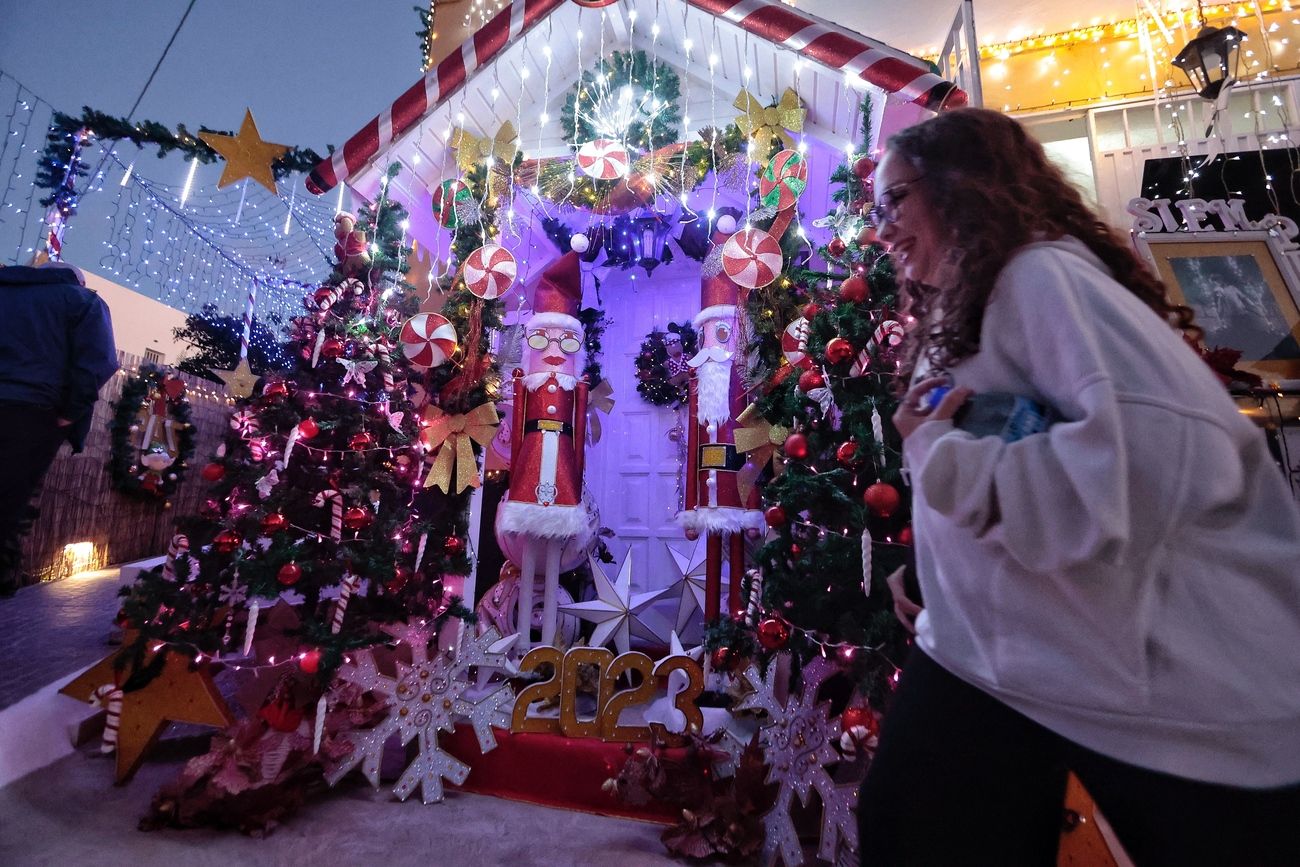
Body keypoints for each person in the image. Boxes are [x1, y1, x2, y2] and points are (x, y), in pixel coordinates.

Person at [858, 108, 1300, 866]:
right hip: (991, 663)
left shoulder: (1042, 277)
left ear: (959, 187)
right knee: (908, 826)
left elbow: (1153, 459)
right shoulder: (965, 302)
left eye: (894, 200)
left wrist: (940, 457)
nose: (881, 228)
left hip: (1158, 692)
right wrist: (937, 568)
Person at [0, 262, 117, 595]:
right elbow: (99, 361)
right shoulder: (82, 301)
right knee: (10, 500)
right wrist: (71, 411)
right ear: (78, 280)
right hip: (34, 413)